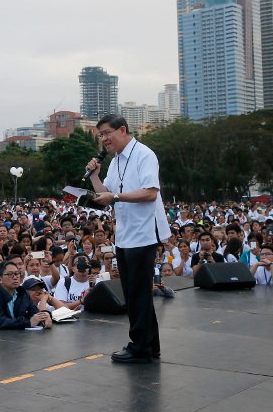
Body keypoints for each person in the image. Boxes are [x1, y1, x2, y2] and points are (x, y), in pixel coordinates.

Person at [85, 114, 170, 364]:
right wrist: (94, 176)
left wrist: (116, 197)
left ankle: (139, 348)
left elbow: (150, 193)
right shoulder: (115, 161)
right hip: (125, 235)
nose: (103, 139)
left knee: (138, 294)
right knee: (134, 292)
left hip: (144, 233)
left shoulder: (144, 154)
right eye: (100, 135)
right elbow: (105, 195)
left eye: (107, 133)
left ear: (122, 130)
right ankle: (150, 345)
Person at [0, 261, 51, 330]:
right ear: (0, 279)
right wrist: (27, 323)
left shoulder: (22, 293)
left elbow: (34, 311)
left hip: (20, 334)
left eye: (17, 273)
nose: (15, 277)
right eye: (10, 274)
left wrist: (45, 316)